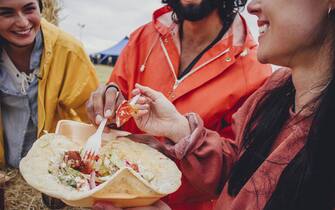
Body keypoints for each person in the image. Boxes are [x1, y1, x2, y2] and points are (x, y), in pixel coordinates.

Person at [94, 0, 335, 209]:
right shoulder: (274, 92)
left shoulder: (254, 72)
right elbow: (238, 171)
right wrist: (179, 131)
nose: (253, 6)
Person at [0, 0, 98, 175]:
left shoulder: (69, 51)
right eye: (6, 13)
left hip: (52, 169)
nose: (22, 23)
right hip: (6, 167)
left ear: (41, 8)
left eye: (29, 9)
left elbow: (91, 115)